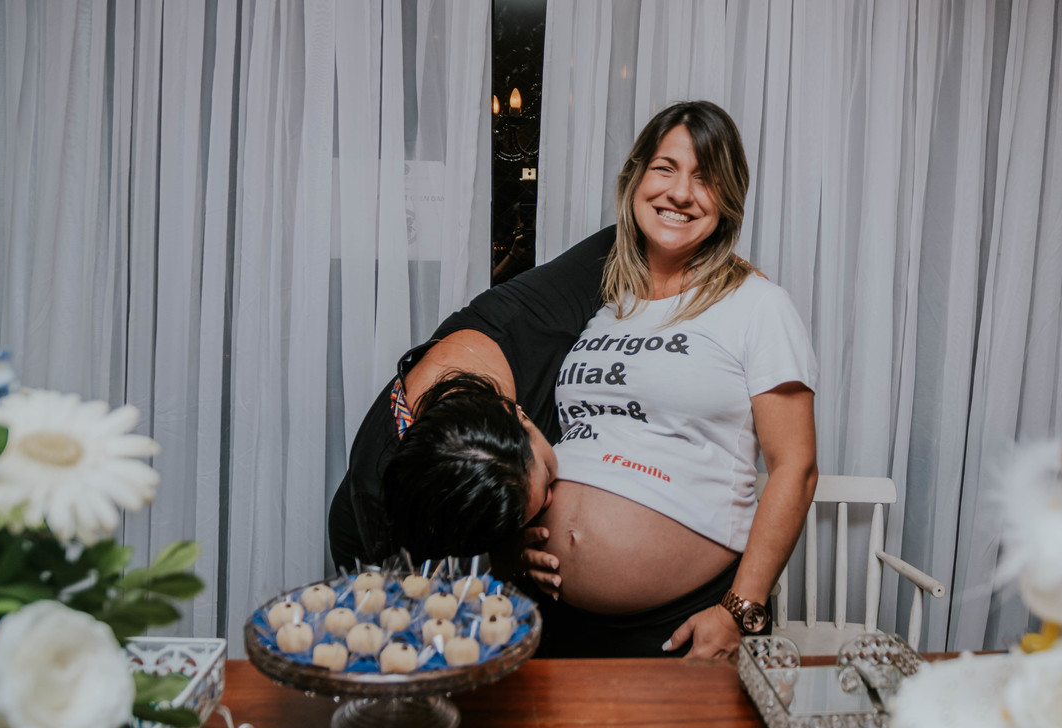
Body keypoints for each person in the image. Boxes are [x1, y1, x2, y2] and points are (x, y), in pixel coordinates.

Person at [527, 101, 819, 660]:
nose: (680, 193)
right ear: (635, 177)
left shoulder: (758, 306)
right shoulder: (603, 306)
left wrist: (742, 608)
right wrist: (515, 537)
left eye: (705, 178)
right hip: (553, 616)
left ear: (728, 199)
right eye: (665, 168)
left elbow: (796, 469)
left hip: (675, 626)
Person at [327, 226, 615, 571]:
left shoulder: (529, 317)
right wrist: (505, 553)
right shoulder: (384, 504)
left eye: (549, 475)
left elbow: (625, 239)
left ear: (517, 414)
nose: (552, 500)